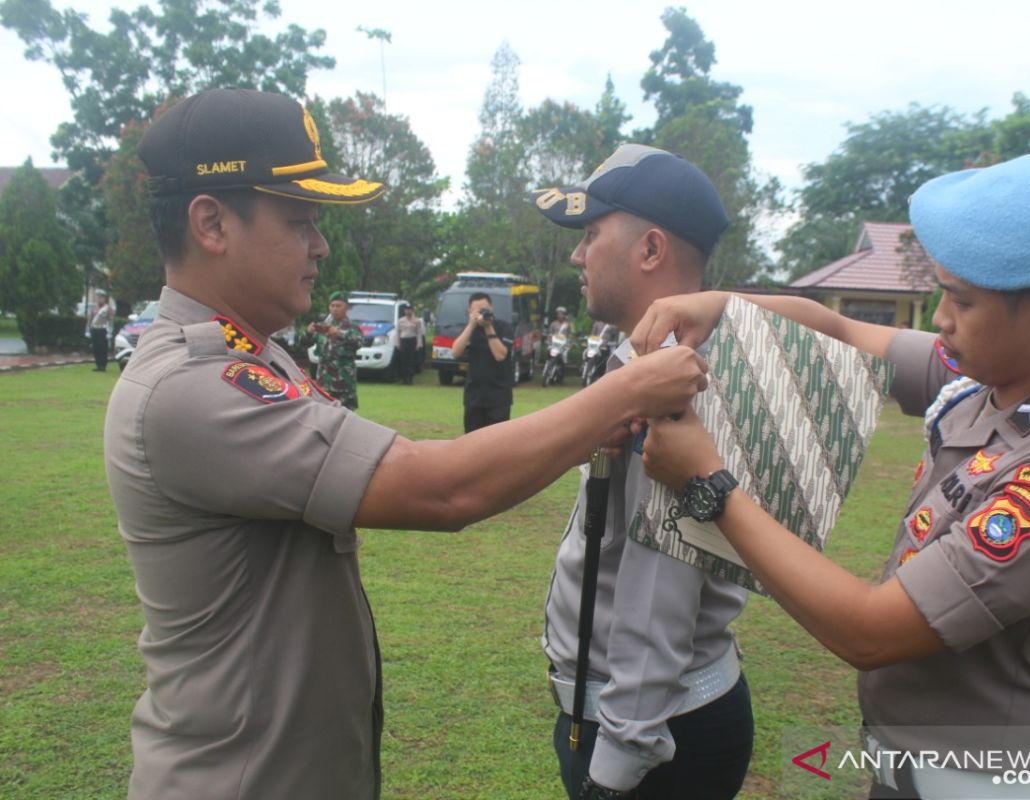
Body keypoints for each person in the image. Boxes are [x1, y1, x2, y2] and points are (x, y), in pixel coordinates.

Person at [104, 87, 708, 800]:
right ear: (211, 223)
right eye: (300, 221)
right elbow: (439, 486)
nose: (320, 244)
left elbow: (389, 452)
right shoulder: (191, 383)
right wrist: (628, 392)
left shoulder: (254, 355)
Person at [633, 154, 1030, 799]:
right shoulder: (994, 377)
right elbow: (842, 328)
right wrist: (723, 304)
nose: (939, 317)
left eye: (961, 301)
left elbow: (870, 631)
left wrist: (708, 482)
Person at [531, 143, 754, 800]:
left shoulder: (678, 384)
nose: (577, 255)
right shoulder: (654, 360)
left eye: (592, 236)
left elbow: (660, 590)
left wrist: (619, 762)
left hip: (653, 734)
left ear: (651, 249)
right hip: (646, 712)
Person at [449, 292, 514, 432]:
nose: (483, 312)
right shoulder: (468, 331)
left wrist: (488, 327)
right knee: (472, 441)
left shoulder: (504, 327)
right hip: (474, 397)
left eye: (485, 309)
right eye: (478, 310)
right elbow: (455, 352)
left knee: (497, 442)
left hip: (499, 397)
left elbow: (500, 355)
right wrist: (471, 325)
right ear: (469, 312)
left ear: (492, 308)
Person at [306, 291, 363, 410]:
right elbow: (303, 344)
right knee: (322, 415)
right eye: (332, 306)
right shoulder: (323, 327)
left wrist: (340, 334)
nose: (335, 309)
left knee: (345, 417)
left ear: (346, 308)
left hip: (343, 382)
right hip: (324, 381)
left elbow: (358, 342)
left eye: (338, 306)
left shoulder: (352, 328)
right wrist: (309, 333)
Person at [88, 290, 114, 371]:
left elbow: (111, 320)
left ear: (104, 299)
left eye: (101, 298)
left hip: (103, 330)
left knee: (102, 348)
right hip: (94, 329)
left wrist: (110, 332)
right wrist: (88, 330)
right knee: (95, 348)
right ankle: (98, 365)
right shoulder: (93, 307)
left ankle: (103, 365)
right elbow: (90, 319)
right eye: (98, 297)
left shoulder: (107, 308)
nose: (99, 299)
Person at [396, 302, 421, 384]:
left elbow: (418, 333)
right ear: (404, 311)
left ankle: (410, 378)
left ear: (412, 311)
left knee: (411, 360)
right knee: (403, 360)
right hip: (403, 341)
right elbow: (398, 333)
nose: (408, 311)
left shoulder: (417, 321)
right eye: (406, 310)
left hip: (412, 341)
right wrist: (398, 344)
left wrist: (418, 344)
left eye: (409, 310)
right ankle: (404, 379)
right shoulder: (400, 321)